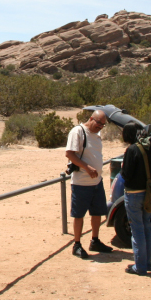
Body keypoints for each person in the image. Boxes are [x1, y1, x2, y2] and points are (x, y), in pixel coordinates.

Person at [65, 109, 113, 259]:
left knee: (97, 212)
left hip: (96, 182)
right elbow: (70, 154)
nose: (100, 127)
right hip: (81, 183)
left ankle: (95, 240)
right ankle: (77, 244)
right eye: (98, 124)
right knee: (79, 214)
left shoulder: (96, 135)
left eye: (102, 126)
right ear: (91, 119)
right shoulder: (78, 132)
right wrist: (87, 167)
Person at [119, 123, 151, 275]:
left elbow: (126, 175)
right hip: (150, 194)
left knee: (137, 230)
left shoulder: (132, 150)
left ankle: (140, 266)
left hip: (133, 194)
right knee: (146, 228)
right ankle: (146, 263)